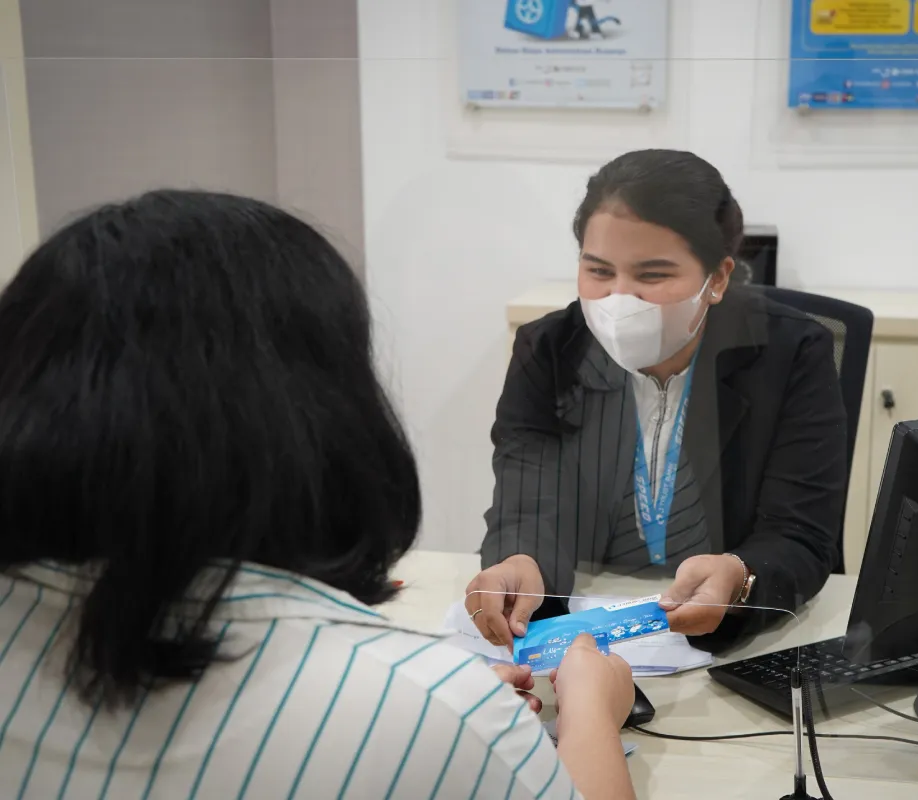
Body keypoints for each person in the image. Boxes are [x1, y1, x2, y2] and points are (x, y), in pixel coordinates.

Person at [0, 190, 635, 800]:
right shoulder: (421, 709)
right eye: (598, 268)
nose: (620, 296)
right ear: (324, 415)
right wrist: (588, 712)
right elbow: (530, 485)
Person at [468, 149, 848, 652]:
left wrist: (741, 575)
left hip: (728, 644)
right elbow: (527, 503)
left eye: (652, 276)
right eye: (599, 271)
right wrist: (521, 561)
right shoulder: (550, 350)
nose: (619, 299)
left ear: (717, 279)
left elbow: (800, 533)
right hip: (587, 630)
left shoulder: (790, 352)